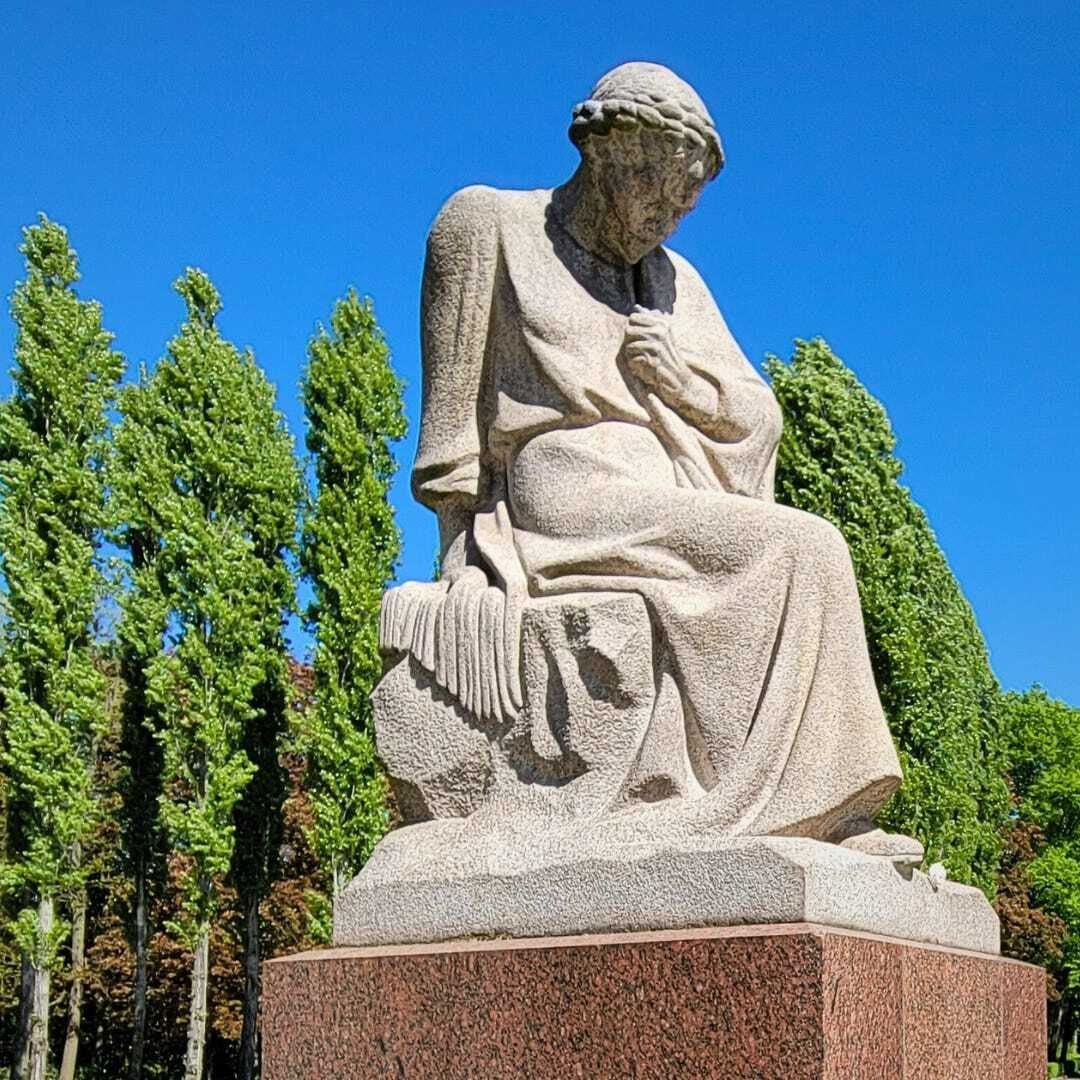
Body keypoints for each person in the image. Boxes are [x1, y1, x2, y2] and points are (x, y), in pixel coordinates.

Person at [384, 62, 917, 860]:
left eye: (684, 204)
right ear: (604, 150)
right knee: (807, 547)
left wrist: (685, 383)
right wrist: (461, 557)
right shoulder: (487, 224)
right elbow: (451, 419)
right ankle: (802, 807)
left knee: (799, 545)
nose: (665, 219)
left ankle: (807, 808)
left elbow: (757, 415)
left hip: (660, 486)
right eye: (656, 191)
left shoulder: (674, 285)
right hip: (562, 492)